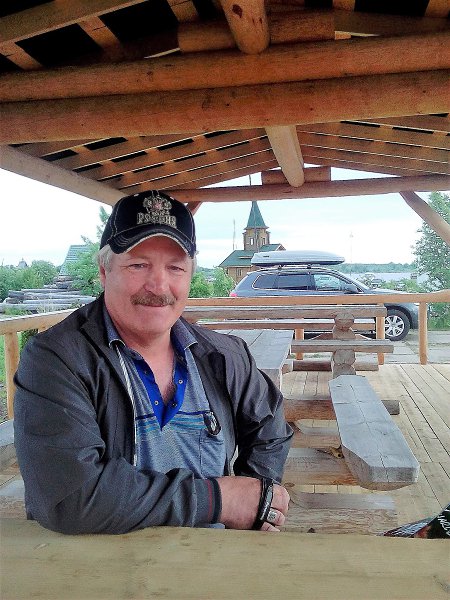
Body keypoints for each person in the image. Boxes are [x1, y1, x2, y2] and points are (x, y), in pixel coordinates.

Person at [14, 190, 292, 534]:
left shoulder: (226, 355)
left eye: (175, 267)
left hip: (214, 557)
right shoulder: (56, 360)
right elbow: (72, 497)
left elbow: (269, 426)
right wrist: (219, 500)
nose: (159, 285)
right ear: (104, 272)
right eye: (138, 265)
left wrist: (256, 499)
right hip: (99, 561)